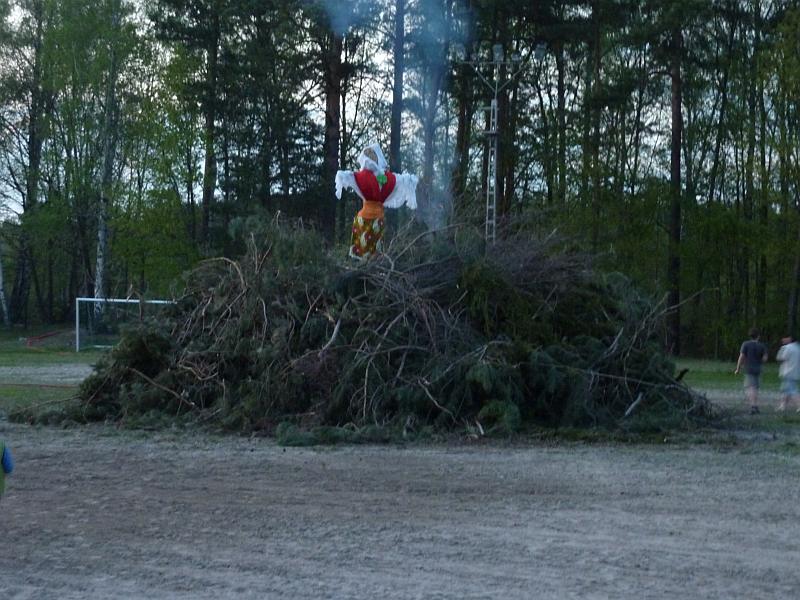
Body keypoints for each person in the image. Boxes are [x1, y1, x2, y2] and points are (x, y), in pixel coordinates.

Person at [335, 144, 418, 260]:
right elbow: (401, 180)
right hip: (377, 220)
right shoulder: (384, 177)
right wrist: (411, 180)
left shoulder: (361, 176)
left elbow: (345, 175)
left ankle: (361, 266)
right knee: (374, 254)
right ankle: (369, 267)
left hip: (362, 219)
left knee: (362, 252)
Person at [734, 327, 768, 414]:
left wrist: (738, 368)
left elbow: (741, 357)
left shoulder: (745, 344)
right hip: (758, 369)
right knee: (755, 388)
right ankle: (755, 405)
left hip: (749, 369)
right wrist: (760, 361)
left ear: (750, 336)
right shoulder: (762, 345)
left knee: (750, 388)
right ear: (758, 336)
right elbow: (765, 358)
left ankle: (753, 406)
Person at [776, 335, 800, 412]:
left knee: (792, 390)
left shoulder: (787, 347)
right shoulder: (798, 347)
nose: (783, 340)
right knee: (785, 390)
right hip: (796, 372)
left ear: (789, 339)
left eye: (785, 338)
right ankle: (782, 406)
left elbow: (781, 358)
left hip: (788, 372)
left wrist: (780, 351)